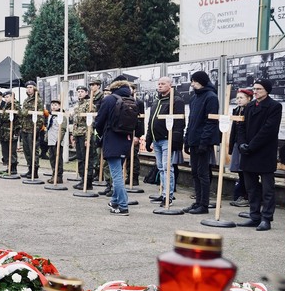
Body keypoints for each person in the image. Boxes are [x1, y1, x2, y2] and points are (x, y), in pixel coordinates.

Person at [238, 78, 283, 231]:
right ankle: (254, 216)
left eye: (259, 89)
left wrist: (251, 146)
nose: (255, 92)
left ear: (267, 91)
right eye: (255, 89)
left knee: (267, 189)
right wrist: (242, 143)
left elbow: (268, 130)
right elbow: (241, 127)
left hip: (264, 152)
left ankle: (266, 218)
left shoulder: (274, 107)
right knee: (251, 188)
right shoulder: (249, 106)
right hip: (248, 152)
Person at [94, 78, 137, 216]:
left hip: (112, 139)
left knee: (116, 175)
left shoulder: (109, 99)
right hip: (126, 140)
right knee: (118, 171)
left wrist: (99, 134)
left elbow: (99, 121)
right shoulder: (132, 100)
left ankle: (123, 206)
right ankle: (115, 201)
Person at [183, 71, 220, 215]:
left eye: (194, 81)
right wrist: (187, 140)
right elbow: (191, 120)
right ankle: (198, 201)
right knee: (194, 172)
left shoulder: (211, 97)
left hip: (203, 141)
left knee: (203, 173)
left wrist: (204, 142)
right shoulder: (194, 98)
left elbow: (210, 122)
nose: (192, 84)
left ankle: (204, 204)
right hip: (193, 140)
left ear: (202, 82)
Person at [144, 76, 185, 206]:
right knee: (161, 168)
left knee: (168, 168)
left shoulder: (176, 100)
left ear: (170, 85)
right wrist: (148, 139)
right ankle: (163, 193)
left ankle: (169, 196)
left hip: (168, 139)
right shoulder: (157, 101)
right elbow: (151, 121)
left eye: (163, 84)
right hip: (157, 140)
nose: (160, 86)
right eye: (159, 84)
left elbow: (179, 122)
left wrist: (175, 140)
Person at [229, 87, 253, 206]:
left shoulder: (250, 110)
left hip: (245, 144)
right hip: (237, 143)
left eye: (241, 98)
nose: (238, 100)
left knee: (245, 171)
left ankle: (246, 196)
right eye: (237, 98)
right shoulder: (237, 110)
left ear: (249, 98)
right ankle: (240, 195)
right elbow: (234, 130)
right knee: (239, 170)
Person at [70, 85, 95, 190]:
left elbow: (90, 123)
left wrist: (87, 139)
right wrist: (73, 135)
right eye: (78, 91)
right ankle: (82, 179)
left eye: (82, 91)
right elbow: (75, 122)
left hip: (85, 134)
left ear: (86, 93)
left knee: (87, 159)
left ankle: (88, 181)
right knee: (80, 158)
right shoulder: (77, 105)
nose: (79, 93)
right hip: (78, 134)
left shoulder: (89, 105)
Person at [18, 80, 43, 178]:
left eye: (31, 87)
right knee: (26, 150)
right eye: (27, 87)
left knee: (33, 150)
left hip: (33, 128)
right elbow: (22, 113)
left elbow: (40, 115)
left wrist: (38, 128)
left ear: (34, 88)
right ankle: (29, 168)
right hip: (25, 127)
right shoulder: (26, 100)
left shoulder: (38, 100)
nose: (29, 89)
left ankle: (35, 170)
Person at [0, 90, 19, 174]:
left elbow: (15, 118)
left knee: (12, 150)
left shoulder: (15, 105)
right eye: (5, 97)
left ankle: (13, 168)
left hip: (12, 130)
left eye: (7, 97)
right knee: (5, 150)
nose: (5, 99)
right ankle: (8, 167)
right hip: (4, 131)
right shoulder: (6, 105)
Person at [46, 99, 67, 184]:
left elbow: (63, 129)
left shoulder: (61, 116)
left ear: (59, 106)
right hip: (51, 140)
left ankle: (59, 176)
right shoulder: (51, 115)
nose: (53, 107)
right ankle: (53, 174)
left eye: (55, 105)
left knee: (58, 159)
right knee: (52, 158)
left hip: (57, 140)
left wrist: (59, 139)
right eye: (52, 105)